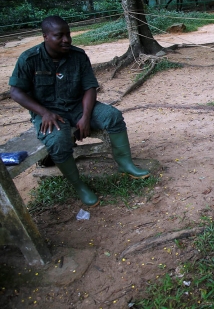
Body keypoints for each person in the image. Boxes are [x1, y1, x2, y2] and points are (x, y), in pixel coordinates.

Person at [9, 15, 149, 207]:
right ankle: (79, 185)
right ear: (46, 36)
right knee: (58, 139)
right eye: (59, 36)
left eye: (68, 34)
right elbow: (16, 91)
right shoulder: (29, 59)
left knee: (113, 116)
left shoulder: (78, 55)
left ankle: (125, 164)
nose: (66, 40)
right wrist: (44, 113)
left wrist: (85, 116)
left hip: (77, 107)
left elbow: (89, 87)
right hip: (49, 114)